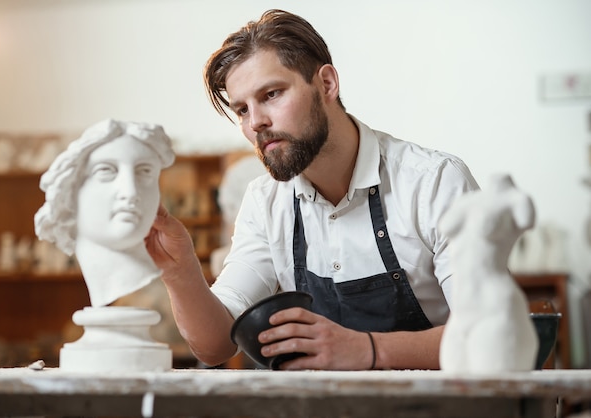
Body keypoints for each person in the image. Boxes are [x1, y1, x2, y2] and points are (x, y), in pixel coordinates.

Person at [146, 9, 479, 370]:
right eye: (242, 109)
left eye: (271, 94)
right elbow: (214, 346)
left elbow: (486, 333)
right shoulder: (265, 202)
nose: (256, 122)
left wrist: (369, 350)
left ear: (327, 84)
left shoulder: (433, 182)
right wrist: (179, 272)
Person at [35, 119, 175, 307]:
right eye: (106, 170)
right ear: (71, 189)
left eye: (144, 171)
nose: (131, 192)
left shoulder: (163, 286)